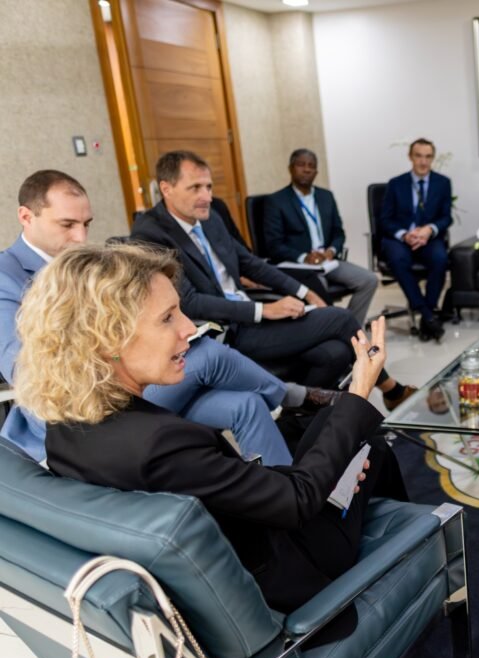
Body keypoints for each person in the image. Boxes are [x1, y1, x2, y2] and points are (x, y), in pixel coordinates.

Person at [14, 243, 408, 643]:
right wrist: (360, 392)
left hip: (235, 542)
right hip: (291, 574)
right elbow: (297, 500)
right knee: (369, 443)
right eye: (168, 317)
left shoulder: (63, 429)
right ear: (108, 339)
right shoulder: (162, 444)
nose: (190, 328)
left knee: (324, 423)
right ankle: (419, 545)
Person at [0, 170, 334, 466]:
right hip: (75, 411)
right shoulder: (6, 275)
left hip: (127, 384)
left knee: (246, 404)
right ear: (26, 216)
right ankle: (294, 397)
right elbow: (23, 369)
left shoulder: (87, 265)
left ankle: (284, 492)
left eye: (86, 224)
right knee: (206, 354)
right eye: (67, 225)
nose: (81, 237)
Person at [132, 151, 414, 408]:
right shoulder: (150, 233)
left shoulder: (209, 217)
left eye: (208, 186)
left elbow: (249, 263)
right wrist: (263, 310)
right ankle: (391, 390)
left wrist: (304, 292)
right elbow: (191, 302)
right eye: (195, 188)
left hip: (247, 314)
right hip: (224, 330)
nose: (207, 196)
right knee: (341, 319)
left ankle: (299, 422)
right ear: (166, 188)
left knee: (335, 352)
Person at [262, 149, 378, 325]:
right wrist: (304, 257)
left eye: (311, 166)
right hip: (299, 265)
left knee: (369, 279)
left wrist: (331, 251)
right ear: (291, 168)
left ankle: (350, 328)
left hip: (327, 261)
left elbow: (338, 232)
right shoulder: (276, 201)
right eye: (301, 165)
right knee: (319, 287)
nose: (307, 169)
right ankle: (332, 329)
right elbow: (274, 245)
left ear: (316, 171)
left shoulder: (326, 196)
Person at [379, 138, 453, 341]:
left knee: (440, 259)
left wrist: (429, 229)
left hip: (428, 238)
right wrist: (404, 234)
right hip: (401, 238)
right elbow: (385, 219)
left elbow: (446, 217)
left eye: (428, 157)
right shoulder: (396, 184)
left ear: (433, 158)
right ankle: (427, 314)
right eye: (419, 156)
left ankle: (426, 314)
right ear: (410, 157)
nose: (423, 161)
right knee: (398, 259)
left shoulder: (443, 183)